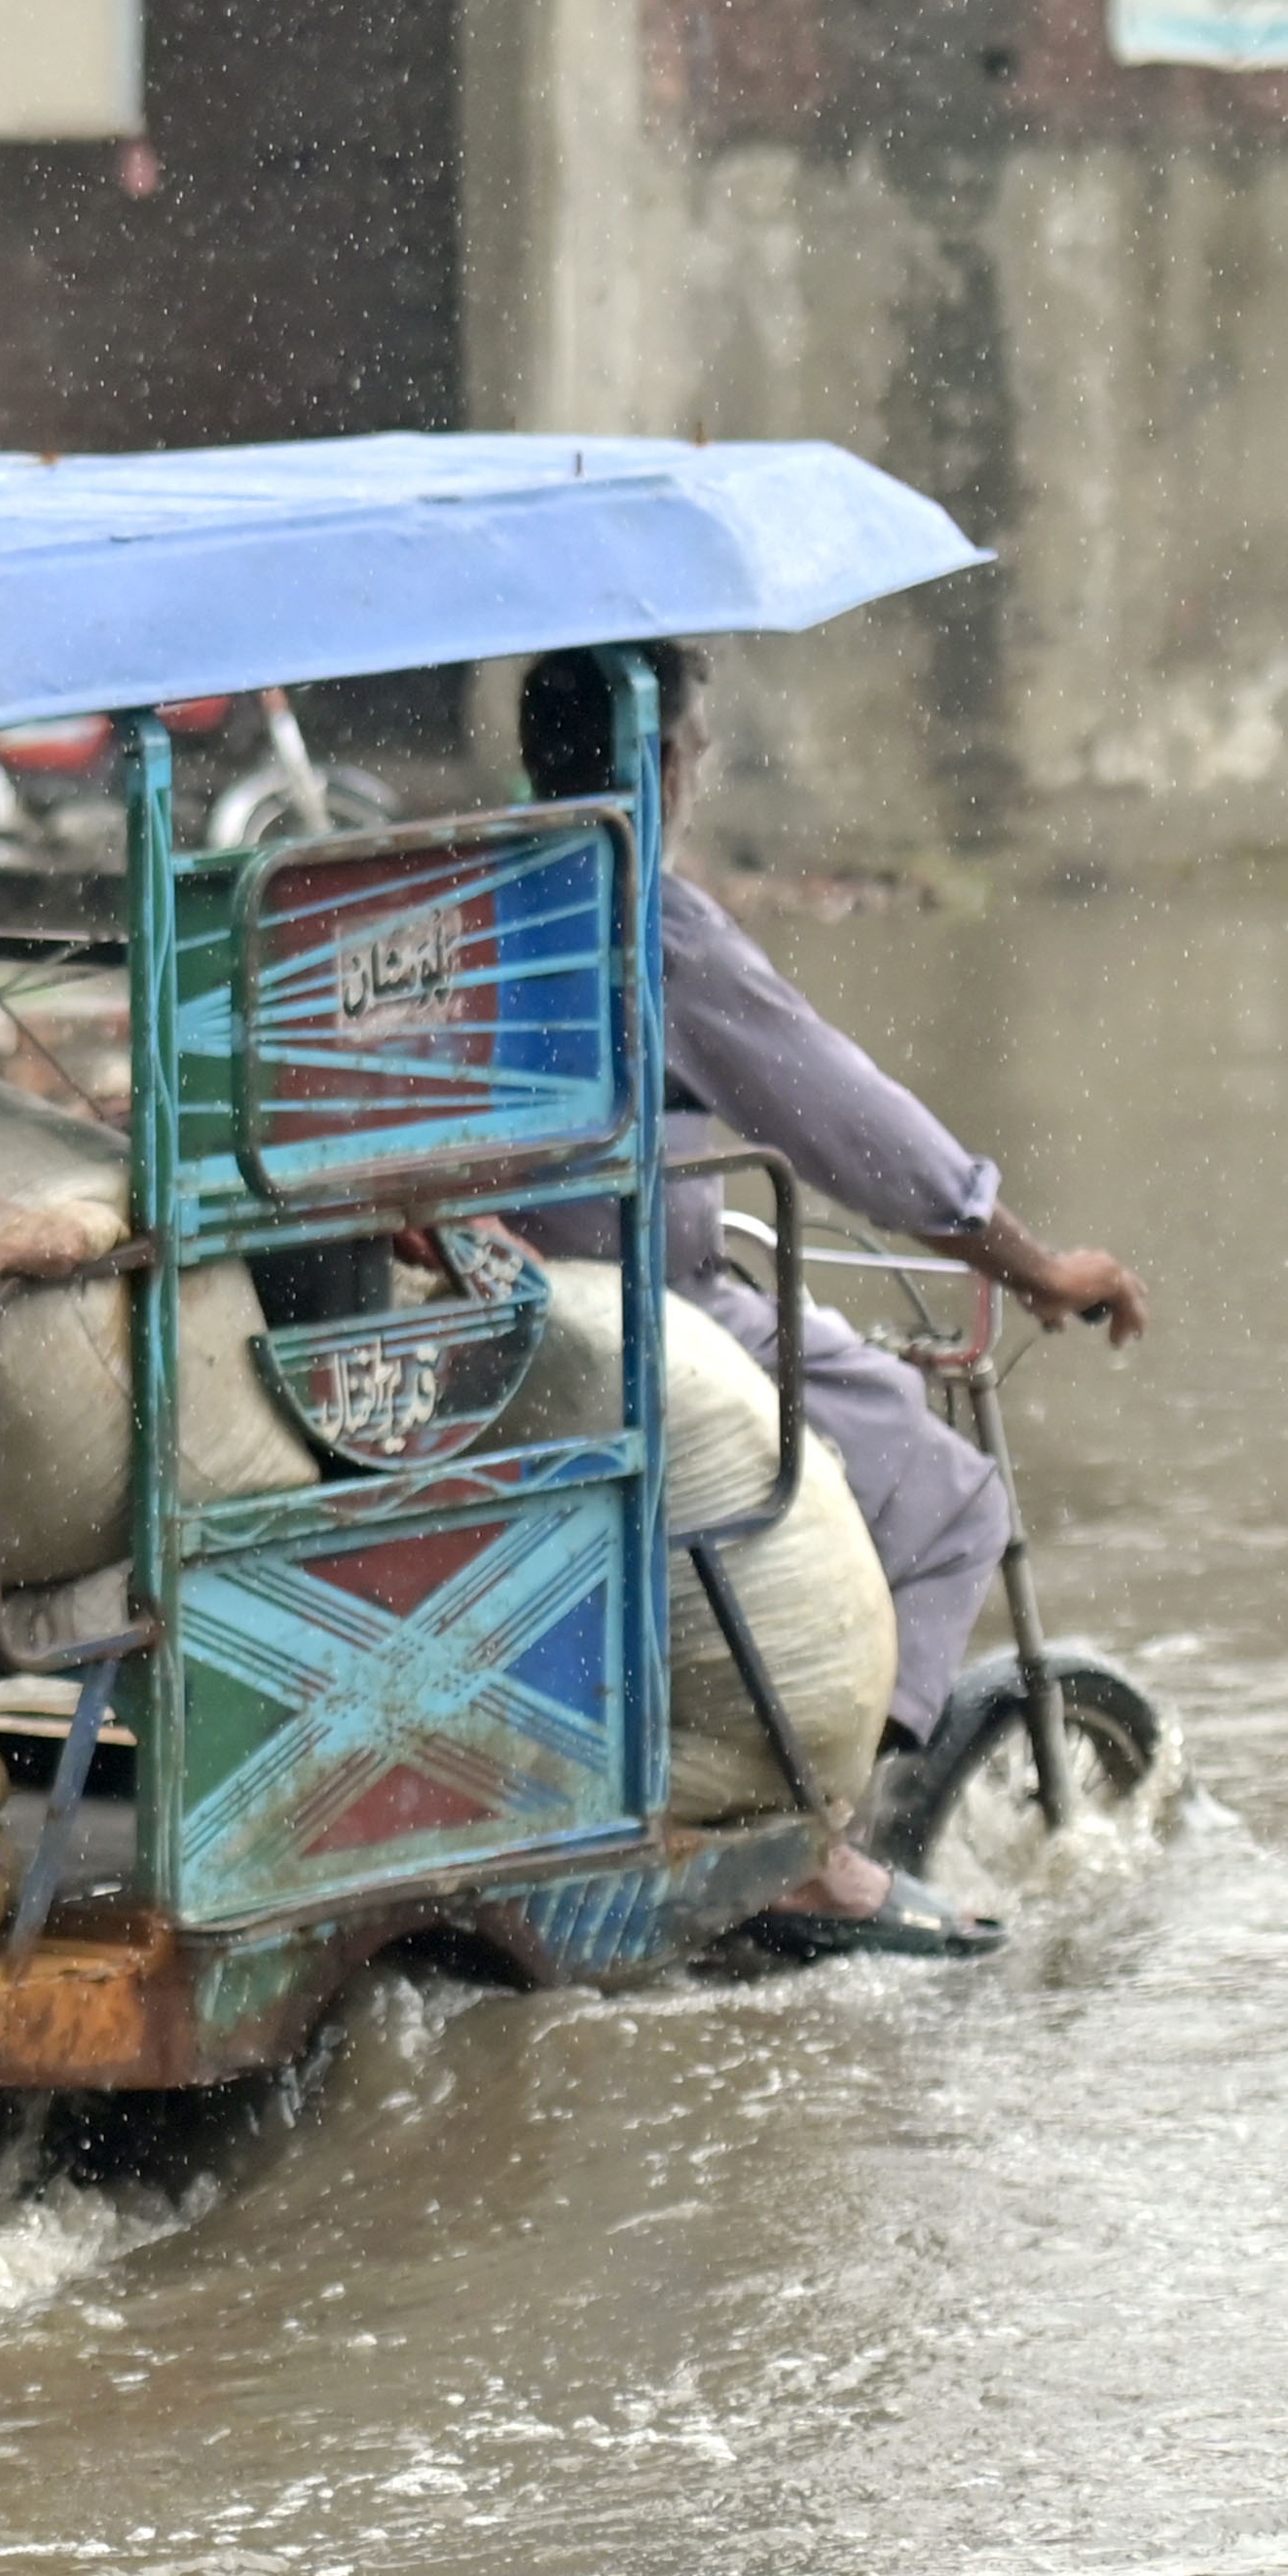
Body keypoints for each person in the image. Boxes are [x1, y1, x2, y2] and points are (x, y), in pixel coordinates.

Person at [511, 640, 1154, 1960]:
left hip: (489, 1316)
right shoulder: (641, 919)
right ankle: (820, 1845)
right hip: (630, 1325)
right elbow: (847, 1120)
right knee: (953, 1494)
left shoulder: (457, 897)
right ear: (671, 763)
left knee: (836, 1379)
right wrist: (1031, 1265)